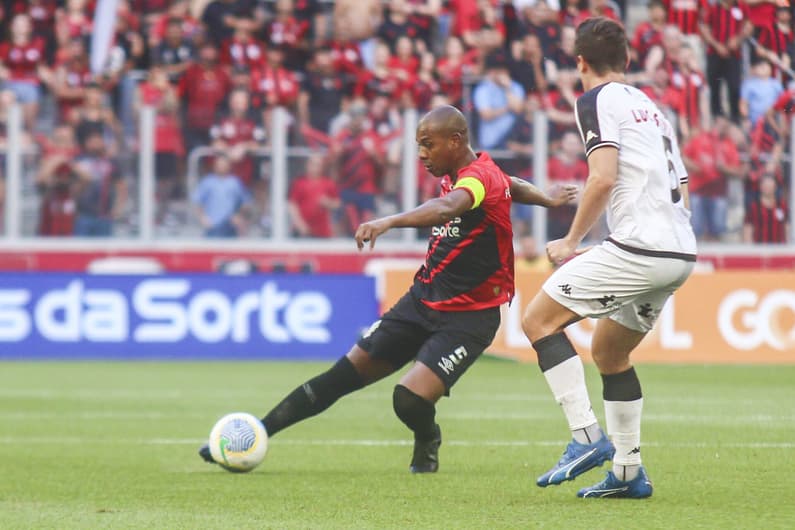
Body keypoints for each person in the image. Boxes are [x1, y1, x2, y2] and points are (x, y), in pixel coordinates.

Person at [199, 105, 576, 472]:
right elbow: (512, 185)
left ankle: (428, 436)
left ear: (456, 141)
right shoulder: (472, 173)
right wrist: (544, 196)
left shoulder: (476, 179)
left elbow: (448, 208)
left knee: (409, 399)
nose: (422, 154)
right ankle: (255, 433)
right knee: (339, 377)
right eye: (419, 145)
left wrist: (389, 221)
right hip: (420, 303)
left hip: (468, 319)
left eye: (429, 144)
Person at [520, 18, 697, 499]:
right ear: (628, 61)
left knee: (537, 320)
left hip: (641, 246)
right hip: (680, 249)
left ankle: (585, 436)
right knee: (609, 353)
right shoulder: (652, 108)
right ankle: (627, 472)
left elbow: (601, 177)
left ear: (580, 62)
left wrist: (571, 241)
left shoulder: (595, 99)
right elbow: (682, 185)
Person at [193, 154, 252, 238]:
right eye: (219, 165)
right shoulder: (207, 182)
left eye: (224, 165)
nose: (222, 167)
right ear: (215, 166)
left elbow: (246, 202)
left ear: (229, 166)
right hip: (212, 225)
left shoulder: (235, 182)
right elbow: (197, 202)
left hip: (230, 226)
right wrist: (203, 218)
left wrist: (239, 215)